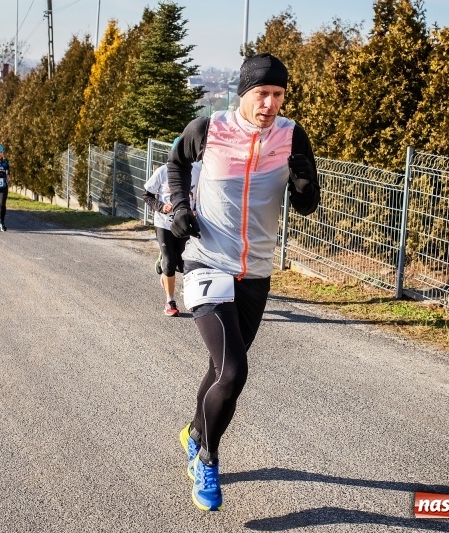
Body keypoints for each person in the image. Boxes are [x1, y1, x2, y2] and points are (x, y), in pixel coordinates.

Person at [168, 53, 320, 512]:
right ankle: (208, 461)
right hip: (206, 262)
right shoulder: (209, 128)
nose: (270, 104)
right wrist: (181, 207)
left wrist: (303, 184)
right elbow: (176, 162)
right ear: (243, 94)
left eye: (278, 94)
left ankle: (195, 433)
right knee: (234, 371)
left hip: (255, 272)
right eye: (262, 94)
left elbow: (307, 204)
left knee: (221, 371)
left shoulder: (292, 135)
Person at [142, 159, 201, 316]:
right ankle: (170, 301)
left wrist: (196, 210)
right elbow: (147, 195)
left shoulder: (197, 170)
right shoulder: (162, 171)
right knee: (169, 263)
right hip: (164, 223)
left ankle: (168, 269)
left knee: (184, 264)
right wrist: (161, 207)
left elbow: (202, 195)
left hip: (185, 223)